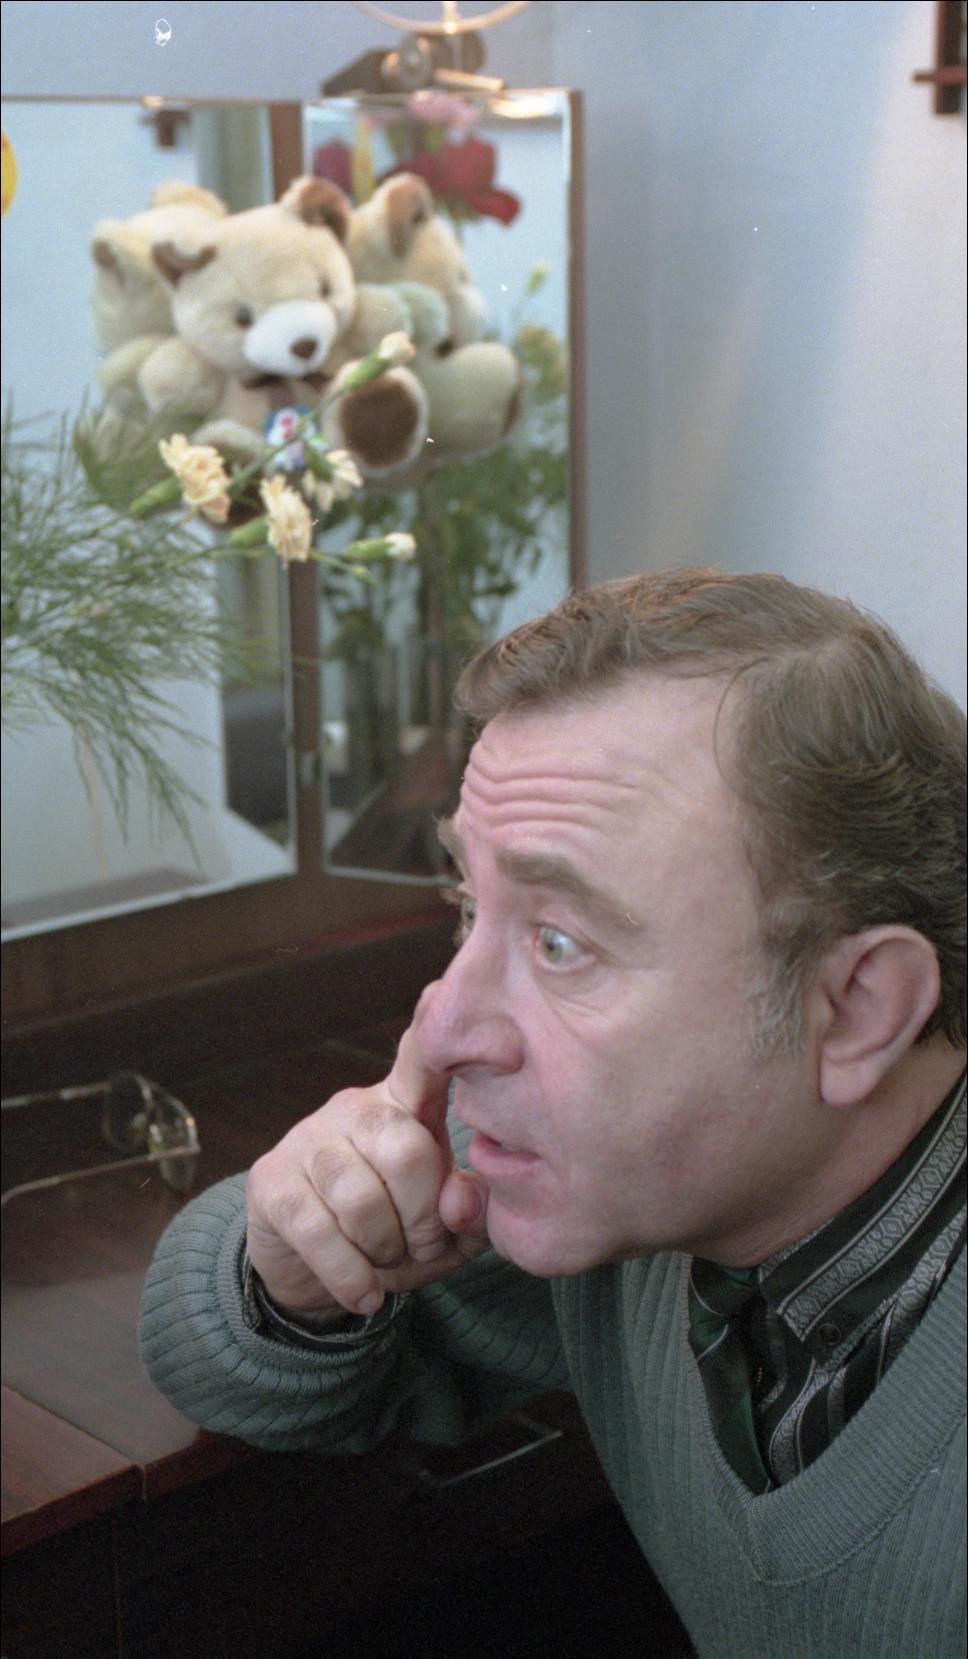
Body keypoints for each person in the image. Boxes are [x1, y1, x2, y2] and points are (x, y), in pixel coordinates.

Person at [141, 567, 966, 1659]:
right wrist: (292, 1261)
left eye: (561, 941)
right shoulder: (637, 1187)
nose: (441, 1025)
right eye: (467, 905)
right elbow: (218, 1350)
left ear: (857, 1008)